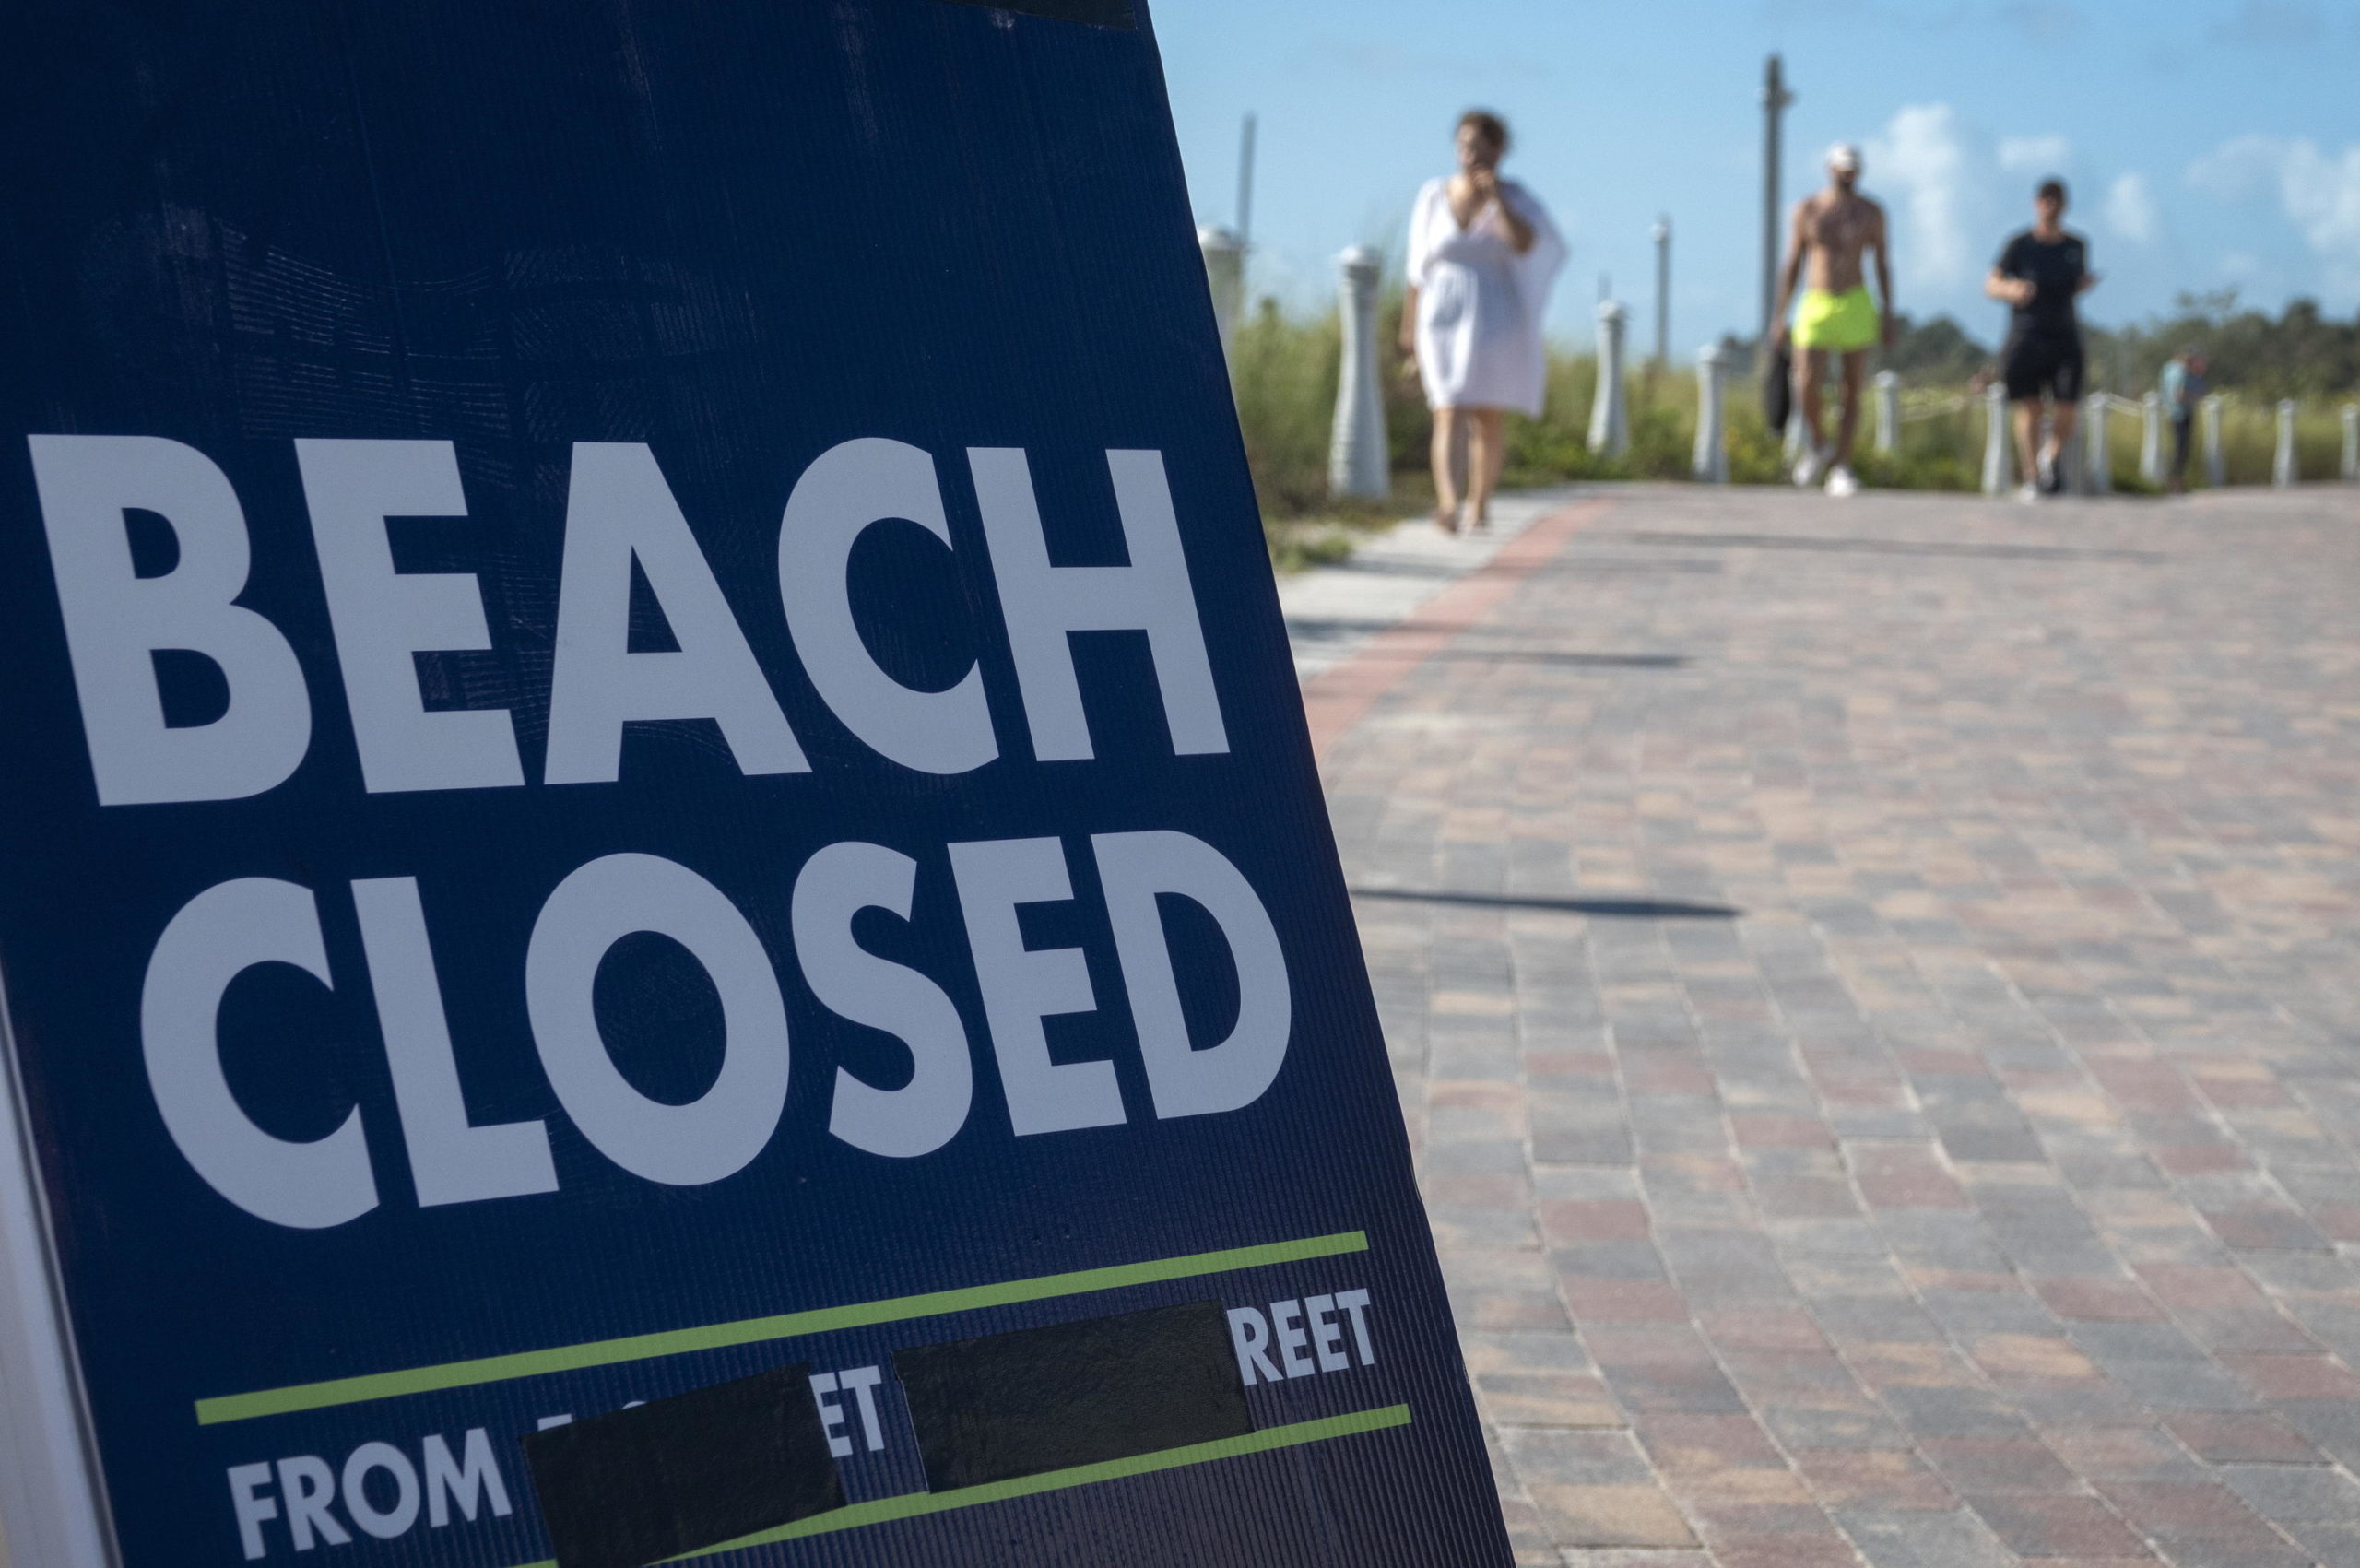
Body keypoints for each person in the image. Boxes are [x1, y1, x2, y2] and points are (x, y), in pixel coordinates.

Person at [1401, 110, 1565, 533]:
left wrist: (1497, 200)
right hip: (1441, 314)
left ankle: (1480, 501)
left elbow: (1531, 244)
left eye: (1478, 145)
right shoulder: (1434, 194)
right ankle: (1448, 501)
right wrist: (1408, 330)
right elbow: (1416, 267)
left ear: (1498, 149)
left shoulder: (1515, 196)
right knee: (1446, 406)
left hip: (1496, 315)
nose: (1469, 154)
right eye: (1463, 144)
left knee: (1487, 415)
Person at [1770, 143, 1894, 500]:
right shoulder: (1808, 209)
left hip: (1855, 299)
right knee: (1805, 380)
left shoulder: (1872, 212)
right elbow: (1793, 261)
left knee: (1851, 387)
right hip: (1816, 300)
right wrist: (1780, 314)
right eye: (1843, 167)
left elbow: (1883, 263)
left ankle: (1842, 464)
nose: (1848, 174)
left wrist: (1887, 311)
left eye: (1854, 168)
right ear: (1830, 168)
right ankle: (1819, 443)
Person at [1986, 178, 2099, 501]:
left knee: (2068, 406)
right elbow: (1991, 283)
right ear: (2037, 203)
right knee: (2030, 407)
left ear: (2065, 204)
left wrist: (2083, 285)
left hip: (2064, 333)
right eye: (2046, 199)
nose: (2051, 205)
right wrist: (2012, 289)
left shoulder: (2076, 246)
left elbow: (2075, 283)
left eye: (2057, 199)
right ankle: (2032, 478)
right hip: (2026, 334)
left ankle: (2049, 457)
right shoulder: (2019, 245)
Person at [2161, 349, 2206, 493]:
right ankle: (2175, 484)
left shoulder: (2168, 368)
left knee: (2179, 449)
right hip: (2181, 414)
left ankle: (2175, 483)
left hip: (2173, 413)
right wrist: (2195, 396)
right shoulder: (2181, 372)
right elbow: (2179, 395)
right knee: (2181, 450)